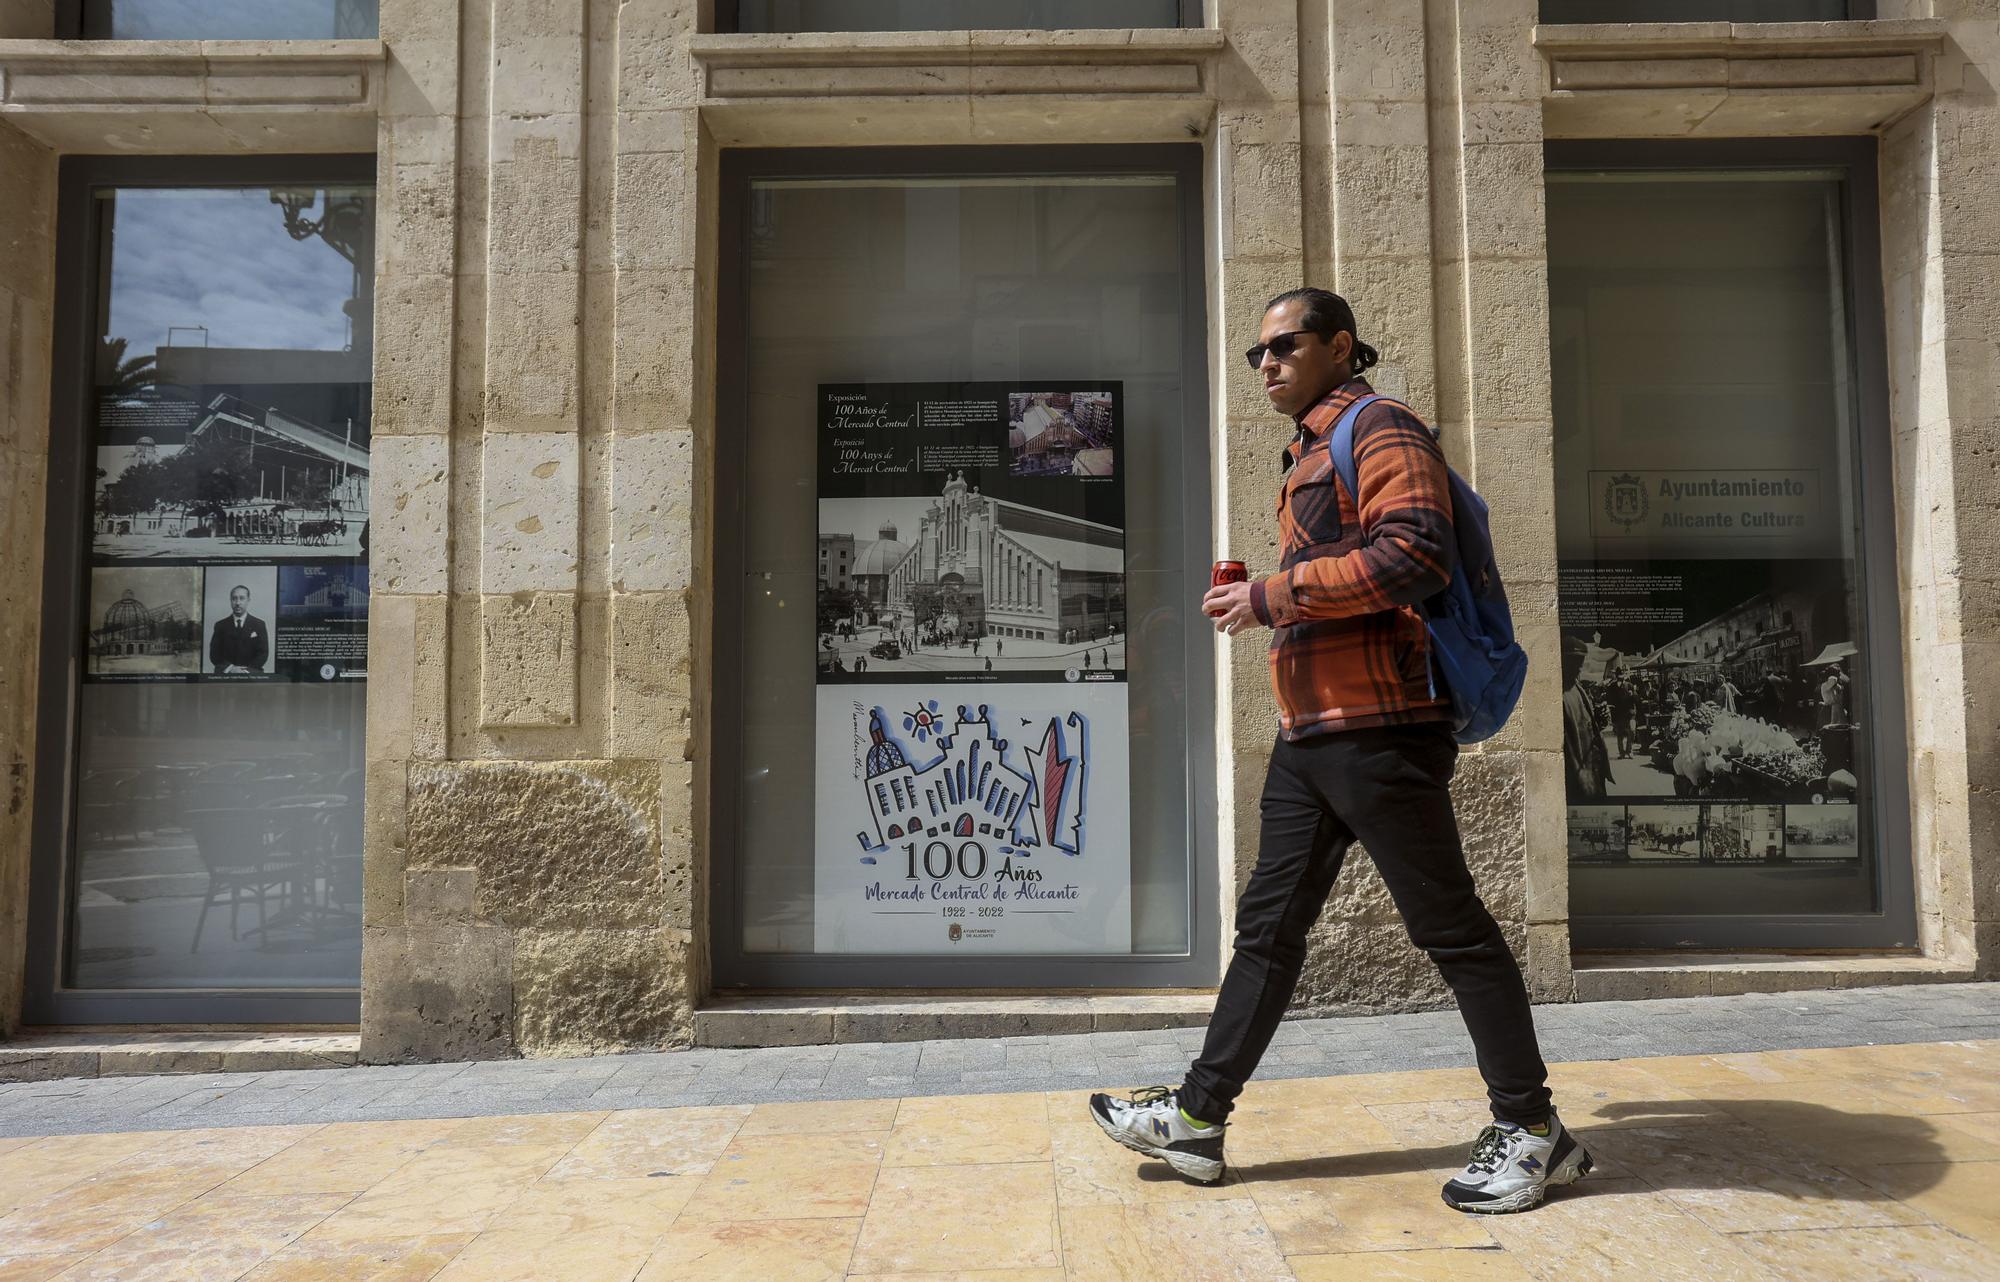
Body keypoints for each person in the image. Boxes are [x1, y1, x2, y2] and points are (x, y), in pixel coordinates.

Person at [1088, 288, 1589, 1214]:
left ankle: (1532, 1130)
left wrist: (1275, 595)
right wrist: (1270, 601)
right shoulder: (1311, 451)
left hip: (1383, 728)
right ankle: (1199, 1119)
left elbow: (1416, 556)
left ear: (1340, 347)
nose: (1268, 364)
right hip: (1313, 735)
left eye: (1286, 346)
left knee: (1452, 931)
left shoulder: (1381, 427)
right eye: (1257, 353)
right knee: (1267, 932)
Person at [1563, 641, 1610, 801]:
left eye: (1580, 663)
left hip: (1594, 769)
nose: (1579, 668)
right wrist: (1581, 776)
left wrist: (1597, 718)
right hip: (1580, 777)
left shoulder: (1576, 687)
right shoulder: (1559, 694)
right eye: (1574, 662)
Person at [209, 584, 269, 674]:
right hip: (226, 674)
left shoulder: (259, 624)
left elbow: (263, 653)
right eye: (234, 598)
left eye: (242, 598)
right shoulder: (220, 625)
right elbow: (214, 654)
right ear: (230, 601)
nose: (237, 603)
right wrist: (231, 668)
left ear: (248, 600)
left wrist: (245, 670)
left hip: (252, 674)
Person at [1604, 677, 1637, 759]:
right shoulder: (1612, 686)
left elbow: (1636, 699)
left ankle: (1629, 750)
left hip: (1630, 713)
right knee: (1620, 734)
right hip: (1619, 714)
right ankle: (1621, 753)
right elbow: (1609, 699)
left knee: (1632, 731)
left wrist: (1632, 694)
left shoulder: (1630, 685)